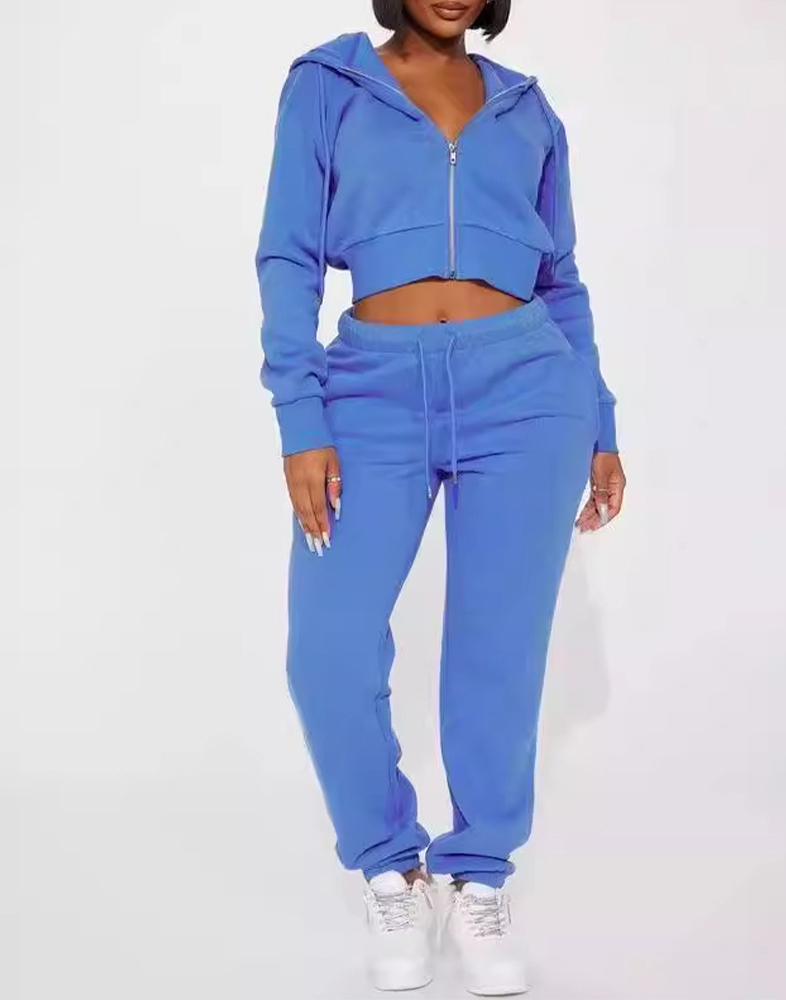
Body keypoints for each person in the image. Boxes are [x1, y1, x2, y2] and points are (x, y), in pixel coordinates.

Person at [255, 0, 626, 993]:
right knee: (326, 649)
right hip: (369, 391)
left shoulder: (527, 110)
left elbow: (561, 278)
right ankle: (390, 864)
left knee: (496, 652)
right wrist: (300, 417)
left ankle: (479, 875)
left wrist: (598, 417)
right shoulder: (329, 84)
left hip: (526, 390)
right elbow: (287, 254)